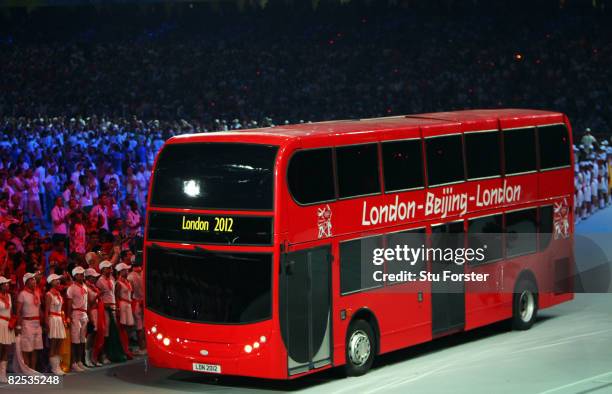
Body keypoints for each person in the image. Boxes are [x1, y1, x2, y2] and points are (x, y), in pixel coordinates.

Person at [16, 272, 43, 371]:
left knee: (35, 349)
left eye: (35, 280)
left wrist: (42, 322)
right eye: (32, 280)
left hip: (37, 323)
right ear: (26, 282)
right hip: (27, 323)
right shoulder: (22, 294)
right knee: (27, 349)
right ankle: (27, 371)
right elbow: (18, 311)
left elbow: (39, 309)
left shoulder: (37, 293)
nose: (34, 281)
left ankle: (33, 371)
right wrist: (18, 326)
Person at [66, 266, 88, 372]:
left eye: (83, 274)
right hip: (75, 314)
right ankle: (74, 362)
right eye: (79, 274)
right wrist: (69, 317)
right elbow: (69, 304)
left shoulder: (85, 286)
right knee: (75, 340)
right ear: (75, 276)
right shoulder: (71, 288)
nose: (82, 275)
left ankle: (80, 361)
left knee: (82, 340)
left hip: (84, 314)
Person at [45, 273, 66, 376]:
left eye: (58, 279)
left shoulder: (59, 294)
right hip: (52, 319)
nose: (58, 281)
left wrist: (63, 320)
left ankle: (57, 366)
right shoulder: (49, 294)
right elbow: (46, 311)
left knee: (59, 343)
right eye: (55, 280)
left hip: (59, 319)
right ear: (51, 282)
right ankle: (54, 368)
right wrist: (47, 323)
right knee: (53, 344)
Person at [95, 260, 115, 364]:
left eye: (110, 268)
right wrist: (105, 306)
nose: (110, 270)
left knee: (113, 332)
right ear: (102, 269)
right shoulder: (99, 281)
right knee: (105, 333)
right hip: (105, 309)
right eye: (108, 268)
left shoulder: (111, 280)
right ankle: (103, 356)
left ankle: (111, 354)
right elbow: (98, 297)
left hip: (113, 308)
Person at [115, 262, 134, 358]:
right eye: (125, 270)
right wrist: (118, 308)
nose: (127, 271)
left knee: (129, 327)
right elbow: (116, 296)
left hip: (128, 305)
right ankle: (124, 349)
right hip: (122, 305)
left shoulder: (127, 282)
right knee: (123, 328)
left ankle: (127, 347)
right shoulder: (118, 283)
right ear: (120, 271)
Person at [127, 256, 145, 355]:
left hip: (136, 302)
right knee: (144, 326)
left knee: (139, 326)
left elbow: (131, 292)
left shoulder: (130, 276)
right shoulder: (144, 273)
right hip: (144, 303)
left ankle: (141, 347)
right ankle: (144, 346)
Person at [84, 268, 102, 367]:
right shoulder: (86, 288)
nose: (95, 279)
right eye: (93, 277)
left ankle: (93, 358)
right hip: (91, 312)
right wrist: (97, 296)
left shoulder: (93, 287)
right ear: (88, 277)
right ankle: (87, 359)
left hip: (97, 311)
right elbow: (88, 303)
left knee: (95, 336)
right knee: (90, 335)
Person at [0, 276, 15, 383]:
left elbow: (11, 312)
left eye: (8, 283)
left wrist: (13, 323)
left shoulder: (9, 296)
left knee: (5, 349)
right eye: (5, 284)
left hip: (7, 324)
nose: (7, 285)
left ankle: (2, 374)